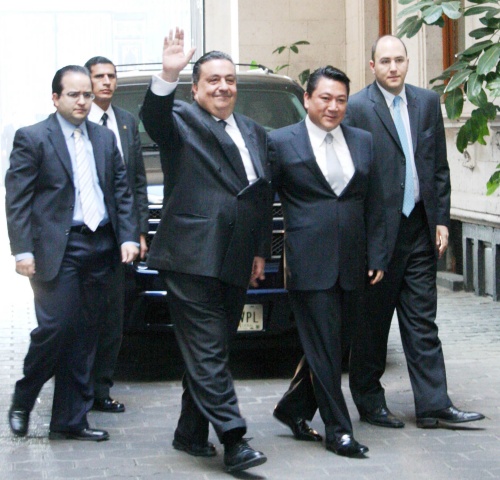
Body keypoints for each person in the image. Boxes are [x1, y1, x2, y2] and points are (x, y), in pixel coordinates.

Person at [140, 28, 271, 473]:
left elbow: (260, 195)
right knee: (209, 350)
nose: (223, 87)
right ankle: (234, 439)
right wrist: (167, 75)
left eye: (229, 80)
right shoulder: (180, 120)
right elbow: (154, 117)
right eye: (213, 80)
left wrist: (259, 250)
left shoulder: (253, 131)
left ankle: (190, 432)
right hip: (191, 256)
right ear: (195, 89)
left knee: (212, 349)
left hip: (237, 257)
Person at [345, 35, 485, 429]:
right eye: (385, 61)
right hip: (378, 237)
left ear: (408, 62)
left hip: (419, 228)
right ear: (372, 66)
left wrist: (441, 219)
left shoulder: (426, 102)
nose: (393, 67)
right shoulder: (357, 108)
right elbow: (353, 178)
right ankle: (370, 401)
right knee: (373, 324)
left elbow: (437, 167)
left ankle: (433, 405)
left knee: (423, 321)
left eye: (399, 60)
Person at [5, 65, 139, 441]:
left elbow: (121, 191)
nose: (83, 101)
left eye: (87, 95)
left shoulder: (104, 138)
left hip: (100, 245)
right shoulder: (34, 138)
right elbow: (17, 200)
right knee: (56, 327)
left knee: (85, 333)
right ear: (55, 98)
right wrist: (22, 251)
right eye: (74, 94)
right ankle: (24, 397)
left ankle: (70, 420)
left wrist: (127, 236)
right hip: (56, 249)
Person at [269, 66, 387, 457]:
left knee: (336, 345)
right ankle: (339, 431)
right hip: (308, 260)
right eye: (325, 98)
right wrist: (258, 251)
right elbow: (261, 201)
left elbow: (375, 202)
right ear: (307, 99)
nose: (333, 107)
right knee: (323, 346)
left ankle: (292, 408)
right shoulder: (281, 142)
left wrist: (378, 253)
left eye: (341, 100)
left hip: (354, 261)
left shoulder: (363, 141)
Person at [84, 56, 149, 414]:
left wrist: (137, 231)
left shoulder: (126, 122)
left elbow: (137, 182)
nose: (107, 82)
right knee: (83, 316)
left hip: (119, 237)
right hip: (84, 236)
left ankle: (101, 389)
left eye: (111, 76)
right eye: (99, 76)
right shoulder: (77, 122)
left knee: (113, 318)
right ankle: (77, 388)